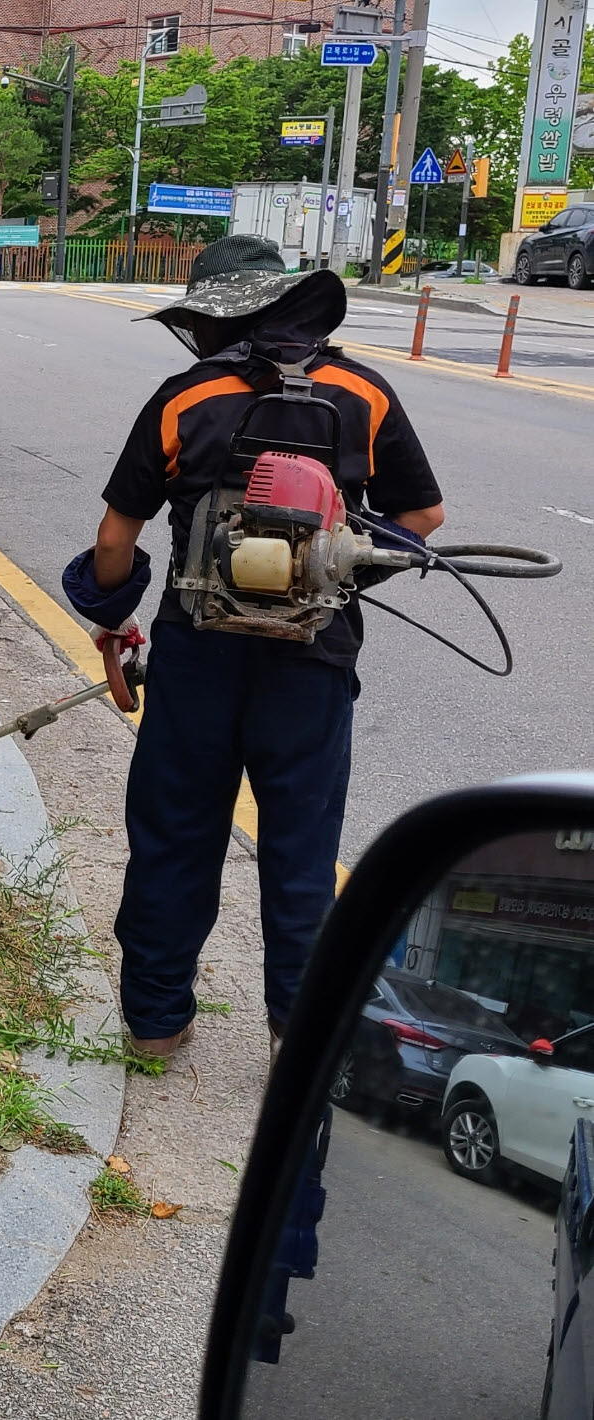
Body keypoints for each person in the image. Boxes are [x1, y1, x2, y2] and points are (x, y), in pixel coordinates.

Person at [63, 237, 444, 1056]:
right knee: (302, 849)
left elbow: (113, 539)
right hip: (314, 664)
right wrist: (326, 580)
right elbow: (421, 524)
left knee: (175, 835)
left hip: (195, 657)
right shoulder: (362, 394)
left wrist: (111, 616)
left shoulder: (184, 399)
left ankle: (156, 1024)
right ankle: (296, 1034)